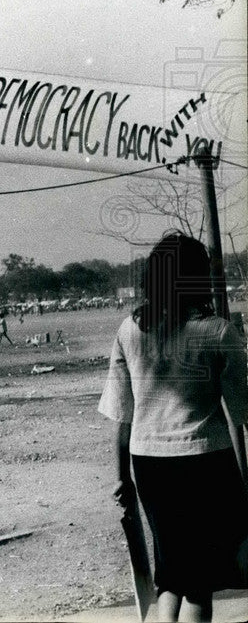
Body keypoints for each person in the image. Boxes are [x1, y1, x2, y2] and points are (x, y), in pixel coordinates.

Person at [98, 233, 248, 622]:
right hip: (206, 462)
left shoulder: (129, 331)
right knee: (199, 583)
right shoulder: (219, 332)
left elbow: (122, 414)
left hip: (149, 465)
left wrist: (121, 478)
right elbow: (242, 415)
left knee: (171, 573)